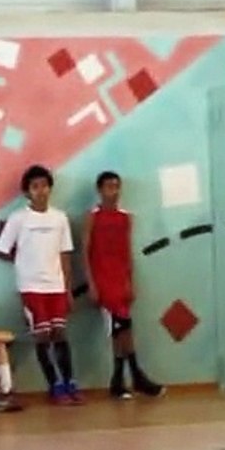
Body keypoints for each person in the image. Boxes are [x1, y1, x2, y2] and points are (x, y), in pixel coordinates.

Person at [0, 164, 82, 405]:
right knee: (42, 335)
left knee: (60, 332)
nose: (41, 191)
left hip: (56, 286)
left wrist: (67, 288)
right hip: (31, 287)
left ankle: (70, 382)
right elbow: (2, 249)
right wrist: (25, 260)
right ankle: (54, 385)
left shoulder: (60, 218)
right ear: (27, 192)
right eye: (35, 186)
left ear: (50, 188)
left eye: (44, 185)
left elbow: (65, 254)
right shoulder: (18, 218)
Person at [82, 171, 165, 400]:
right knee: (120, 328)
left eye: (117, 186)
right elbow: (85, 252)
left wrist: (131, 281)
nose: (114, 191)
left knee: (124, 329)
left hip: (120, 279)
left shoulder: (125, 217)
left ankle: (121, 379)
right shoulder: (92, 217)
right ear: (100, 190)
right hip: (103, 279)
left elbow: (127, 252)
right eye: (109, 187)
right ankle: (133, 377)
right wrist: (91, 283)